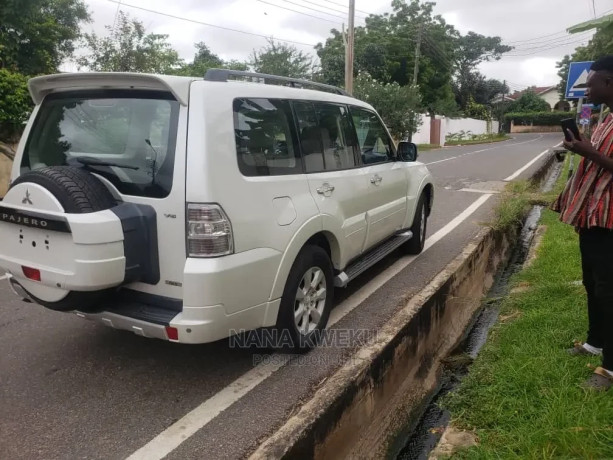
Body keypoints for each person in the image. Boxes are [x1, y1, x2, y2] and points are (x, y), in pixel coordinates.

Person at [552, 55, 613, 391]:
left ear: (608, 82)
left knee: (609, 291)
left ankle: (610, 369)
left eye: (591, 82)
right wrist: (581, 148)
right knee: (593, 284)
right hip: (593, 217)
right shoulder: (603, 119)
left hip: (610, 222)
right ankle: (595, 342)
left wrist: (588, 153)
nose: (586, 88)